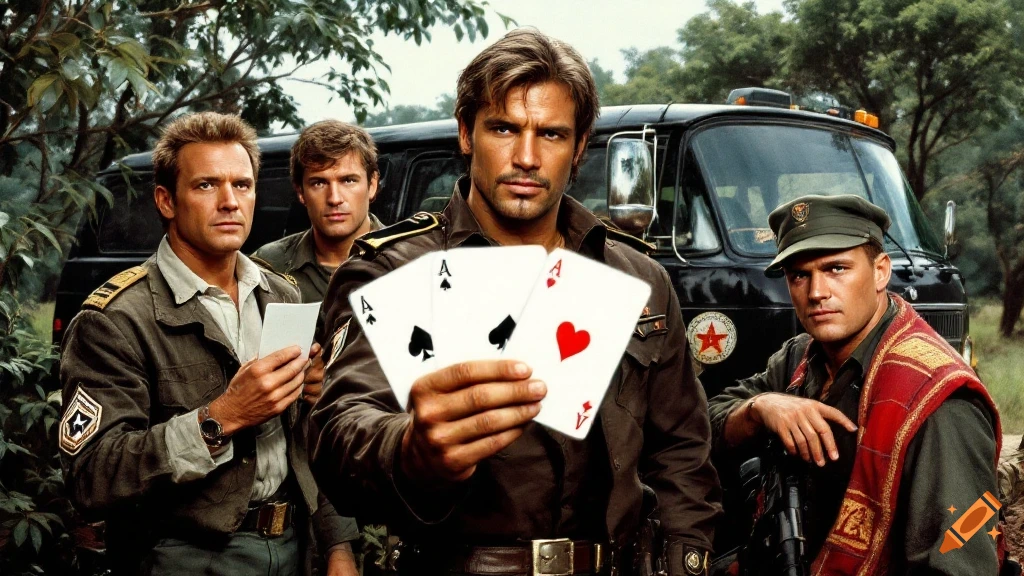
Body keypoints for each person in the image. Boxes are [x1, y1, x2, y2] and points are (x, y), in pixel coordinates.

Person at [309, 28, 722, 576]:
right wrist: (408, 448)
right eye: (504, 128)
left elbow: (683, 454)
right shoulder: (394, 269)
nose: (526, 157)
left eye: (550, 135)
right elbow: (338, 427)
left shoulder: (637, 276)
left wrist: (687, 562)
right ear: (465, 133)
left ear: (578, 148)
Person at [58, 112, 358, 576]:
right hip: (185, 555)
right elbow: (93, 476)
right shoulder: (117, 319)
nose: (229, 202)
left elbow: (301, 441)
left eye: (242, 185)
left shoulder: (282, 292)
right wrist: (223, 417)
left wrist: (337, 544)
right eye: (206, 186)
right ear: (166, 200)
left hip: (295, 547)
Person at [708, 195, 1005, 574]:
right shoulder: (801, 358)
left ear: (881, 272)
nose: (816, 292)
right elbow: (702, 426)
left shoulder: (936, 399)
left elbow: (959, 564)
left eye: (836, 269)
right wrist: (761, 407)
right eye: (800, 275)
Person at [252, 119, 383, 304]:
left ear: (372, 185)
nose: (334, 198)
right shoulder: (269, 266)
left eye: (348, 181)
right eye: (319, 183)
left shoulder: (411, 259)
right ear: (300, 192)